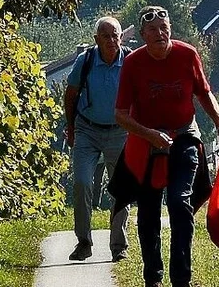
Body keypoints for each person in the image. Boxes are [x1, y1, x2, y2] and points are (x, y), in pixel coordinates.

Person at [114, 5, 219, 287]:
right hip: (147, 142)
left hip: (184, 137)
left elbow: (204, 93)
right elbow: (120, 115)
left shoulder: (187, 54)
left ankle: (182, 279)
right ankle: (152, 278)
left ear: (170, 30)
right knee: (149, 211)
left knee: (180, 203)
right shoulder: (133, 63)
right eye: (153, 30)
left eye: (164, 28)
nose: (160, 34)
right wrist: (149, 134)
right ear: (143, 35)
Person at [63, 17, 130, 262]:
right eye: (106, 36)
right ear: (96, 39)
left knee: (121, 188)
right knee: (81, 183)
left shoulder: (131, 61)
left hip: (121, 131)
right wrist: (71, 128)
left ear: (121, 37)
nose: (112, 41)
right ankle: (84, 242)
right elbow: (70, 96)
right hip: (87, 129)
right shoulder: (86, 61)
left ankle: (119, 245)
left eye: (116, 36)